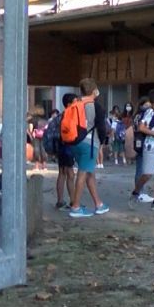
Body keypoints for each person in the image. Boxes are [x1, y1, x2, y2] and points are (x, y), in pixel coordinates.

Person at [66, 79, 110, 218]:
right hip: (90, 143)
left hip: (74, 141)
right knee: (83, 172)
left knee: (89, 172)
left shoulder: (76, 103)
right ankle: (76, 207)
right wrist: (103, 141)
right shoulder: (95, 106)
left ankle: (98, 204)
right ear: (94, 90)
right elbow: (101, 127)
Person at [51, 94, 78, 209]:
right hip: (67, 148)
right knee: (70, 174)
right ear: (69, 104)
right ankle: (73, 202)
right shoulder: (69, 116)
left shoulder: (59, 117)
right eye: (75, 101)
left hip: (60, 148)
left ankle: (60, 201)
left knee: (62, 173)